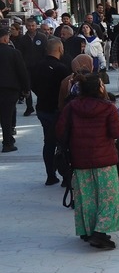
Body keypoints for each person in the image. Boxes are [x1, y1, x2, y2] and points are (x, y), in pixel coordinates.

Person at [55, 72, 119, 250]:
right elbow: (116, 133)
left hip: (80, 161)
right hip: (105, 162)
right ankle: (100, 233)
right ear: (99, 88)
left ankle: (87, 230)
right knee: (108, 198)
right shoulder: (108, 108)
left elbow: (61, 132)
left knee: (86, 199)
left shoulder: (71, 107)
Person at [31, 38, 71, 185]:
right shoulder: (61, 68)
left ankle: (50, 174)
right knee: (63, 142)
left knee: (48, 142)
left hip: (42, 108)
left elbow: (33, 85)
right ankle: (66, 176)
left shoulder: (36, 66)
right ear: (60, 49)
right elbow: (66, 90)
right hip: (58, 111)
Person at [0, 27, 30, 152]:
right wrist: (26, 88)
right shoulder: (14, 53)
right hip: (10, 88)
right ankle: (7, 142)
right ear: (6, 39)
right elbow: (22, 72)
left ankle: (9, 138)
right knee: (7, 115)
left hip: (8, 88)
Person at [16, 18, 47, 116]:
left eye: (33, 25)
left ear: (36, 26)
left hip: (40, 66)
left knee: (40, 87)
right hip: (27, 67)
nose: (31, 28)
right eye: (29, 26)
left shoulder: (42, 37)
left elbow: (45, 51)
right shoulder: (22, 39)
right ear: (26, 26)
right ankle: (29, 107)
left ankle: (42, 105)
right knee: (27, 87)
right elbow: (20, 53)